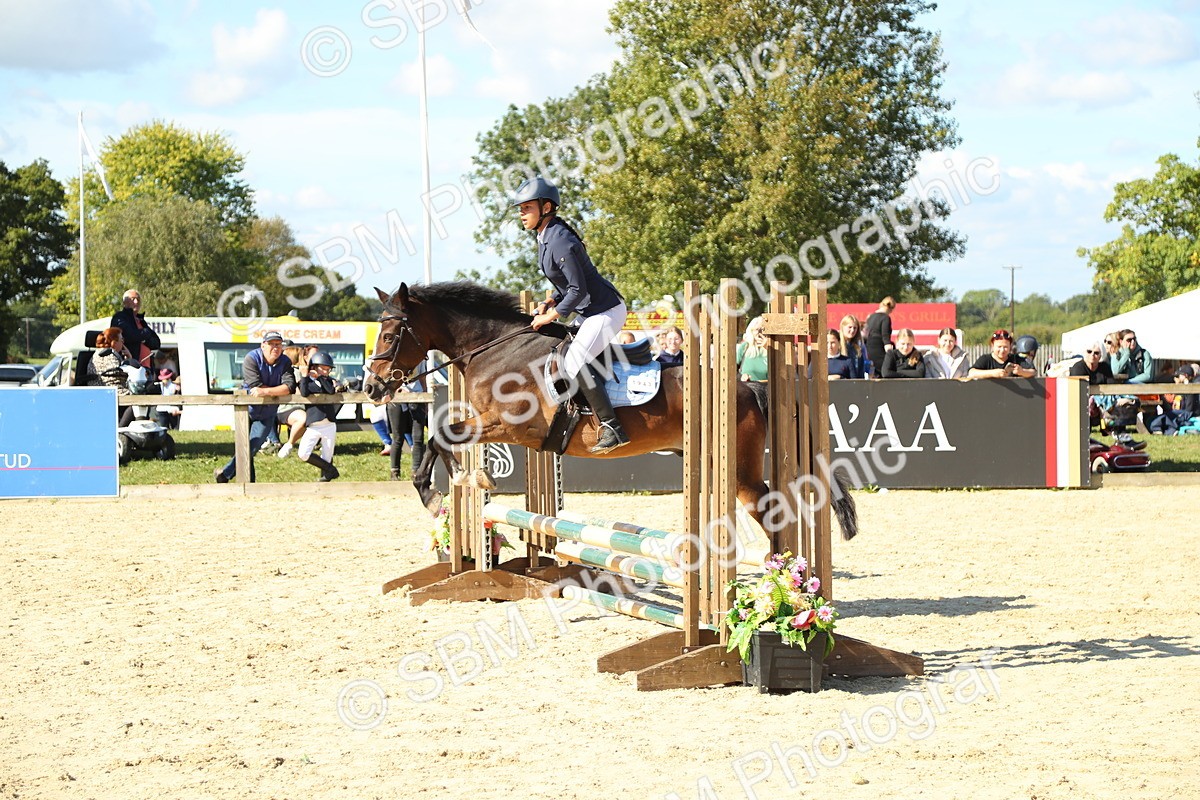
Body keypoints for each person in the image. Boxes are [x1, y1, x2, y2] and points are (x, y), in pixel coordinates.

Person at [515, 176, 630, 454]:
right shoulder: (547, 236)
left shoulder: (558, 240)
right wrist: (549, 302)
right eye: (520, 209)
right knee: (561, 349)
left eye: (527, 208)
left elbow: (577, 290)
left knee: (576, 358)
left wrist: (551, 316)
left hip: (606, 311)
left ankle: (612, 426)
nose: (521, 214)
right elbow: (565, 286)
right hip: (590, 310)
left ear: (545, 208)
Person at [214, 330, 295, 483]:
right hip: (246, 410)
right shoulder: (251, 358)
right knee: (247, 445)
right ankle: (248, 481)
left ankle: (225, 474)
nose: (275, 348)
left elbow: (289, 386)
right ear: (263, 345)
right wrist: (276, 390)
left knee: (253, 445)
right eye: (271, 344)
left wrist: (265, 391)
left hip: (268, 412)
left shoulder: (285, 361)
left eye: (278, 344)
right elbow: (254, 385)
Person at [293, 350, 340, 481]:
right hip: (314, 424)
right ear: (314, 367)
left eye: (328, 369)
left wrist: (320, 377)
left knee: (327, 455)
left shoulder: (329, 381)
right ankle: (331, 470)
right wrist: (304, 376)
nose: (326, 372)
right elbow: (304, 392)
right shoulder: (307, 381)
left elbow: (330, 390)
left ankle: (326, 479)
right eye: (323, 369)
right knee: (303, 453)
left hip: (329, 424)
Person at [87, 326, 138, 427]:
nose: (123, 342)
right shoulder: (108, 354)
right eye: (121, 340)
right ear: (114, 343)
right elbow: (116, 372)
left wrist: (128, 358)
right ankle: (120, 430)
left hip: (107, 388)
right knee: (137, 402)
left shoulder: (101, 353)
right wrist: (130, 360)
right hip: (108, 389)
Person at [110, 290, 161, 369]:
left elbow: (156, 343)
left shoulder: (141, 321)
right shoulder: (119, 318)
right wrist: (145, 334)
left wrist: (143, 339)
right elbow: (129, 335)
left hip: (146, 369)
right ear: (125, 302)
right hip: (130, 367)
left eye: (138, 299)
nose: (136, 302)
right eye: (133, 299)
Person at [968, 329, 1036, 379]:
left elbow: (1033, 372)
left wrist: (1022, 372)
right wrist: (993, 373)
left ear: (1011, 346)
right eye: (999, 347)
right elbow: (972, 373)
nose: (1002, 350)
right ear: (992, 345)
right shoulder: (985, 359)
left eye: (1005, 347)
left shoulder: (1016, 359)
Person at [863, 296, 895, 378]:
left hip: (869, 347)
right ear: (891, 308)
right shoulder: (885, 318)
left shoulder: (871, 317)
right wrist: (890, 353)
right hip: (879, 349)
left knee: (872, 373)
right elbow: (885, 335)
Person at [736, 317, 768, 382]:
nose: (759, 333)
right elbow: (732, 370)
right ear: (751, 331)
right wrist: (741, 377)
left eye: (762, 330)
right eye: (756, 330)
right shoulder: (745, 347)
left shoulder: (773, 348)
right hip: (748, 389)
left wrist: (767, 347)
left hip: (768, 389)